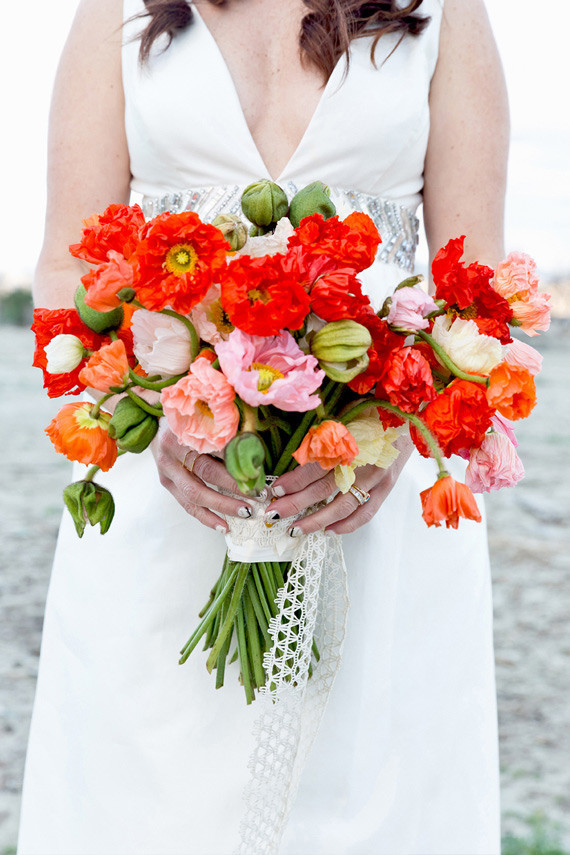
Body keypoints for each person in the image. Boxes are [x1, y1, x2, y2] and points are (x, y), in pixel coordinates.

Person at [18, 0, 509, 853]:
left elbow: (476, 281)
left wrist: (384, 432)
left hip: (373, 491)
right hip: (163, 482)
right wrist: (161, 394)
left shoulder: (447, 12)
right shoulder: (117, 7)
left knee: (370, 797)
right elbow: (68, 263)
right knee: (148, 798)